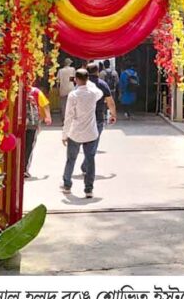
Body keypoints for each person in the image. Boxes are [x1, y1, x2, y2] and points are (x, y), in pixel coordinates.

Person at [62, 69, 103, 198]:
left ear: (76, 79)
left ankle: (67, 184)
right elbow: (100, 92)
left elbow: (68, 116)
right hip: (91, 132)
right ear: (87, 79)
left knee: (71, 159)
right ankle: (88, 189)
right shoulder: (93, 94)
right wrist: (88, 82)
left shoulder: (73, 95)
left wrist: (64, 134)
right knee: (90, 160)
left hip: (75, 132)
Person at [23, 81, 52, 179]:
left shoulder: (17, 90)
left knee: (24, 146)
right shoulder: (36, 91)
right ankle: (24, 170)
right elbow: (45, 105)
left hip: (23, 124)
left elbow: (45, 105)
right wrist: (48, 117)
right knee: (29, 146)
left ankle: (22, 169)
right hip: (32, 124)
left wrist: (48, 117)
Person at [86, 62, 117, 150]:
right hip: (98, 117)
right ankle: (89, 158)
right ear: (97, 72)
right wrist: (113, 115)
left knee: (87, 144)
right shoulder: (102, 84)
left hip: (84, 118)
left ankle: (88, 157)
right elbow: (110, 102)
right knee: (94, 144)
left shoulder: (82, 84)